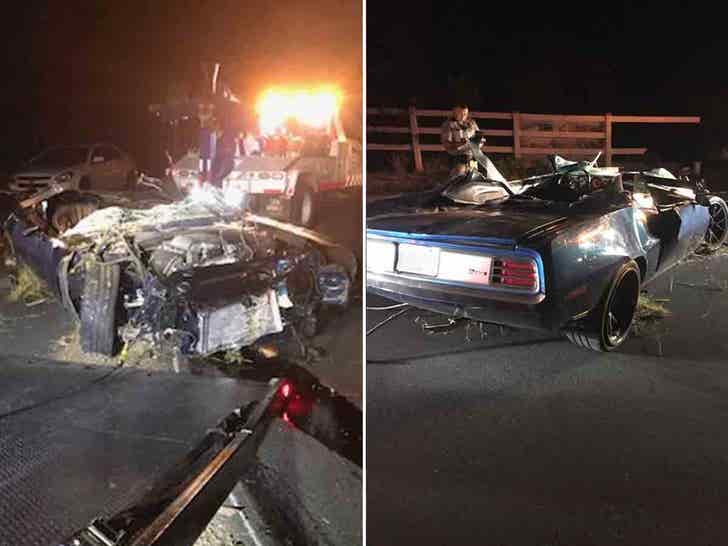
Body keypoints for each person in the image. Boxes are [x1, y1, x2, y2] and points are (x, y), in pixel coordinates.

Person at [440, 104, 483, 178]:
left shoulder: (471, 123)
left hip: (472, 156)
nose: (463, 116)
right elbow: (446, 144)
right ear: (454, 113)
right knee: (458, 179)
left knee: (474, 178)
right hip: (457, 157)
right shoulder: (449, 125)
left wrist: (479, 142)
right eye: (460, 113)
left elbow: (478, 136)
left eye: (465, 114)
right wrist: (460, 144)